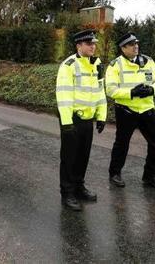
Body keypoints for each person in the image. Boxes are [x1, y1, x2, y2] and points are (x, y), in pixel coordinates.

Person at [105, 32, 155, 191]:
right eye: (132, 45)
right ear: (123, 48)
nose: (136, 47)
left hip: (147, 109)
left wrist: (152, 90)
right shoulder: (115, 65)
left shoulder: (148, 61)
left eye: (137, 43)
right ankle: (115, 173)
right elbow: (110, 90)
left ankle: (150, 175)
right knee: (122, 143)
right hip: (126, 110)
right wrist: (131, 93)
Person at [56, 29, 107, 211]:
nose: (93, 46)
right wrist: (67, 122)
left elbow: (100, 91)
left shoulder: (97, 64)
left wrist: (101, 116)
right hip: (72, 119)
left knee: (83, 156)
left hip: (88, 120)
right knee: (69, 158)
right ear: (79, 45)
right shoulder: (69, 65)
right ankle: (67, 193)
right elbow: (63, 94)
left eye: (94, 43)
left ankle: (78, 187)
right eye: (88, 43)